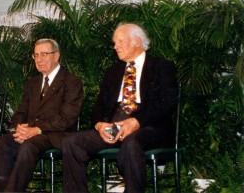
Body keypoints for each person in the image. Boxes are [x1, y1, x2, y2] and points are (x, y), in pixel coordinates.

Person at [62, 23, 179, 193]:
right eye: (114, 42)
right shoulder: (113, 72)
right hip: (113, 129)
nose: (115, 46)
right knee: (72, 142)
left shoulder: (161, 67)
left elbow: (166, 102)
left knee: (131, 143)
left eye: (120, 41)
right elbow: (99, 106)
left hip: (149, 128)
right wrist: (100, 125)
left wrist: (137, 121)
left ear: (137, 41)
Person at [0, 38, 84, 192]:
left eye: (44, 54)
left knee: (28, 146)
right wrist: (17, 129)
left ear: (56, 56)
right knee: (1, 143)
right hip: (30, 133)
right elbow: (21, 112)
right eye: (36, 55)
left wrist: (36, 129)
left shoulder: (71, 81)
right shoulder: (32, 83)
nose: (39, 59)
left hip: (56, 135)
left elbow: (66, 118)